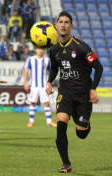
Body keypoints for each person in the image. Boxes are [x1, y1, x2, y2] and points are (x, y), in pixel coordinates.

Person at [45, 11, 103, 173]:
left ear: (71, 26)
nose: (63, 25)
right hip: (65, 92)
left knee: (81, 133)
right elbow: (55, 68)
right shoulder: (54, 49)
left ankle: (84, 122)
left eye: (66, 22)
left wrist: (93, 89)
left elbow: (98, 67)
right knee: (61, 124)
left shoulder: (81, 46)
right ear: (56, 25)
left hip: (83, 94)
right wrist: (49, 81)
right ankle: (66, 164)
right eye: (60, 22)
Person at [24, 48, 57, 127]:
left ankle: (49, 121)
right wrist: (25, 83)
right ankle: (31, 121)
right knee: (33, 103)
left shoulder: (47, 60)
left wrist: (51, 80)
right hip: (34, 86)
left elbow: (50, 71)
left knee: (46, 103)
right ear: (36, 50)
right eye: (39, 49)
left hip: (44, 85)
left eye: (42, 49)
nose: (40, 51)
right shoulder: (31, 59)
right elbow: (26, 71)